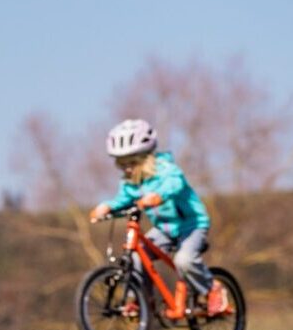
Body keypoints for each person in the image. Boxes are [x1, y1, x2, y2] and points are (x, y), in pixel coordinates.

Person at [89, 118, 228, 318]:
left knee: (184, 259)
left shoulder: (166, 169)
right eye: (122, 164)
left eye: (132, 162)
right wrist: (106, 207)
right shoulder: (131, 182)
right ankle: (141, 301)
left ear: (146, 157)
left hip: (191, 225)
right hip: (164, 229)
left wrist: (158, 196)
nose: (127, 169)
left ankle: (212, 288)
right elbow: (123, 200)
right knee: (136, 257)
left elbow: (175, 184)